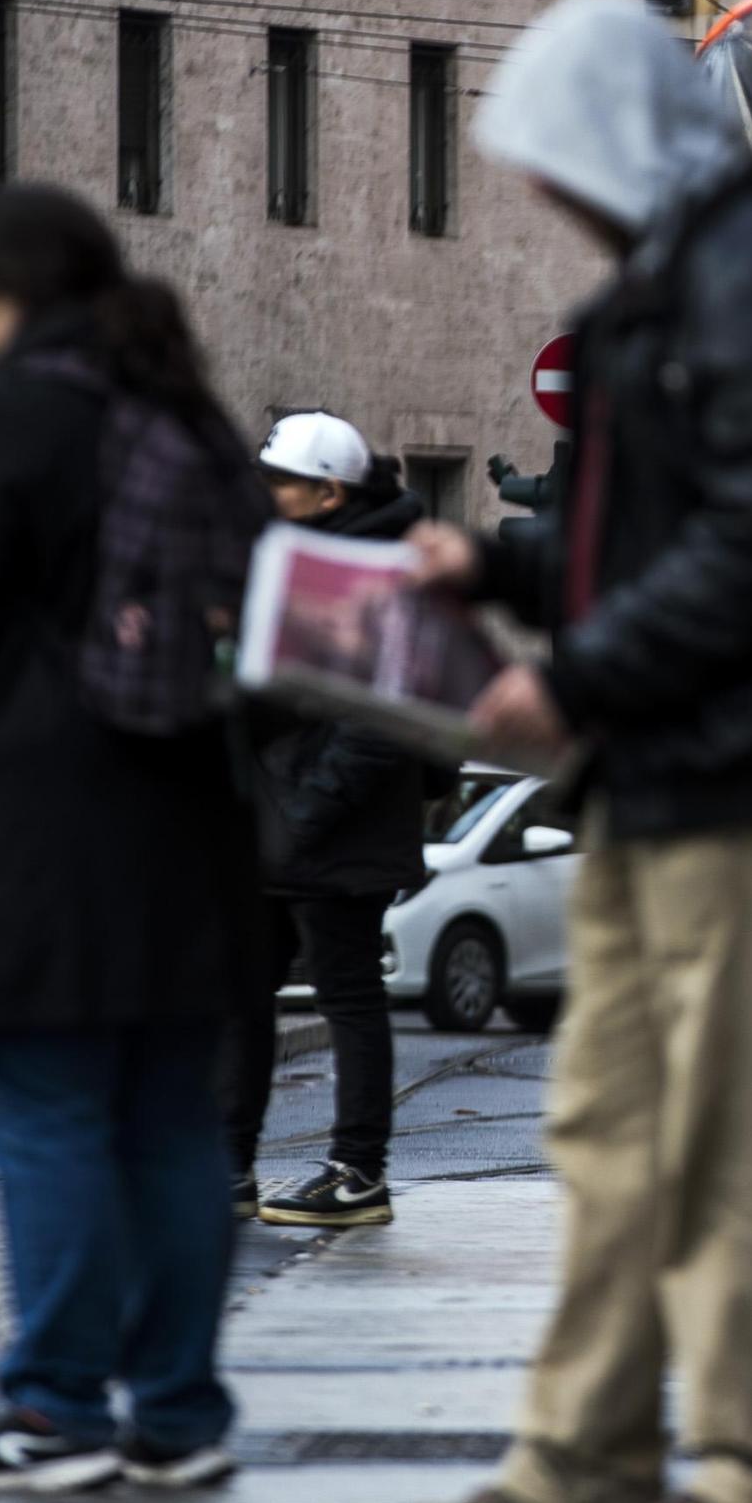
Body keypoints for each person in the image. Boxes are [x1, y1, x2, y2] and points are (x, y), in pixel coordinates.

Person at [388, 0, 752, 1503]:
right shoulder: (691, 275)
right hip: (668, 756)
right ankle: (577, 1453)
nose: (549, 195)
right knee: (617, 1123)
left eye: (558, 160)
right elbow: (658, 532)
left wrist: (568, 669)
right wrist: (490, 562)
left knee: (723, 1137)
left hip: (732, 765)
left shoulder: (751, 279)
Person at [0, 183, 267, 1496]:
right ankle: (176, 1409)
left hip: (39, 826)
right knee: (169, 1124)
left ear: (4, 298)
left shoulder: (25, 407)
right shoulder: (187, 413)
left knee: (44, 1115)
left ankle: (52, 1406)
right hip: (184, 817)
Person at [225, 410, 430, 1228]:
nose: (268, 494)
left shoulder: (378, 573)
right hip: (282, 820)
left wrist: (302, 816)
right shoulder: (305, 559)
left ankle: (358, 1172)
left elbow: (380, 724)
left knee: (348, 995)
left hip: (336, 828)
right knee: (242, 992)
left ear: (328, 491)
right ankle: (228, 1164)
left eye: (281, 482)